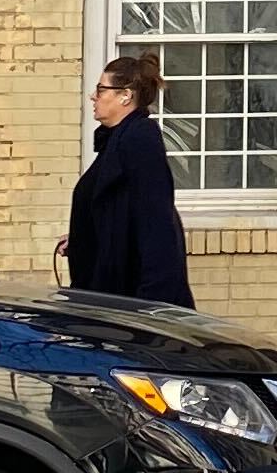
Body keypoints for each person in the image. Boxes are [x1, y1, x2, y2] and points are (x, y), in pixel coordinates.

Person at [59, 49, 192, 306]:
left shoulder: (139, 140)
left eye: (101, 90)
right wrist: (83, 236)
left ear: (125, 96)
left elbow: (157, 225)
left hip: (132, 301)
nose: (93, 96)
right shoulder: (117, 140)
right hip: (111, 294)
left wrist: (151, 308)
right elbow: (117, 210)